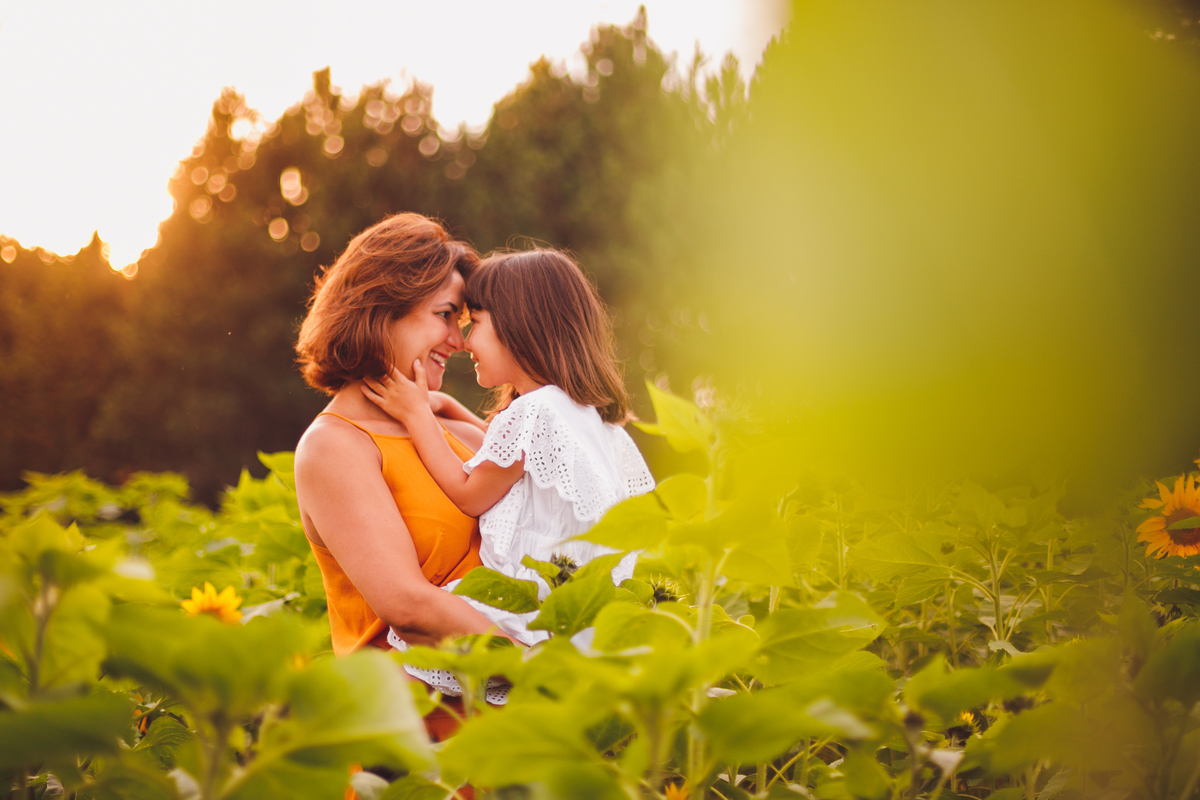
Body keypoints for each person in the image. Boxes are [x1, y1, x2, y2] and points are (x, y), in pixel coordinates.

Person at [361, 248, 655, 673]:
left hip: (532, 611)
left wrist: (416, 414)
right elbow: (506, 458)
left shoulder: (532, 413)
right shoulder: (595, 422)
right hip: (592, 619)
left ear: (520, 327)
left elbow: (469, 494)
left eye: (475, 322)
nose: (463, 342)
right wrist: (444, 407)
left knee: (412, 659)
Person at [293, 213, 507, 737]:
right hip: (415, 748)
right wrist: (542, 669)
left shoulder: (453, 430)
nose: (458, 340)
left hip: (512, 740)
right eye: (445, 315)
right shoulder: (334, 446)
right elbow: (407, 606)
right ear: (382, 310)